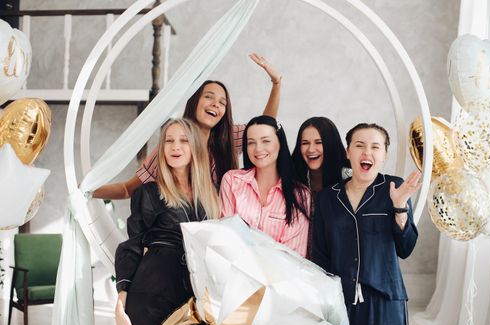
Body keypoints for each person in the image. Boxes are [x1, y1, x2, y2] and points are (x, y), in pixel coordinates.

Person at [93, 53, 281, 199]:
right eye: (209, 97)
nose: (216, 104)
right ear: (195, 101)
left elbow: (264, 128)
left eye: (222, 102)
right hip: (181, 232)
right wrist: (87, 191)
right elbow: (127, 189)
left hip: (220, 228)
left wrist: (277, 83)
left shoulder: (228, 137)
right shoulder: (172, 146)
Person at [312, 123, 421, 325]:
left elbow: (406, 248)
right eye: (359, 145)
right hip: (338, 302)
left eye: (375, 147)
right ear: (348, 152)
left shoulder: (395, 189)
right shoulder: (327, 198)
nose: (367, 152)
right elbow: (320, 257)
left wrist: (400, 207)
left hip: (384, 300)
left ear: (384, 155)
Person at [114, 119, 220, 325]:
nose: (175, 147)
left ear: (195, 148)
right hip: (152, 290)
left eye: (183, 140)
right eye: (169, 141)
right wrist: (122, 299)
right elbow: (132, 246)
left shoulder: (212, 194)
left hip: (194, 293)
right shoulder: (148, 193)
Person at [219, 115, 310, 258]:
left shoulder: (300, 195)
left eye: (266, 141)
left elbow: (293, 257)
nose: (258, 148)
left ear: (280, 143)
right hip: (234, 273)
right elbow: (226, 236)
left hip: (280, 277)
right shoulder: (232, 180)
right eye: (251, 142)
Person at [291, 116, 350, 259]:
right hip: (298, 262)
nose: (311, 149)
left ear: (331, 144)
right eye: (305, 143)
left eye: (319, 142)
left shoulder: (349, 178)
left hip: (337, 263)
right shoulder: (293, 179)